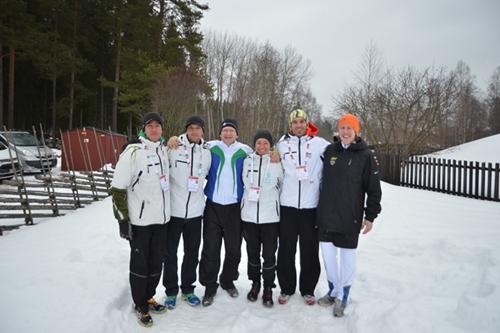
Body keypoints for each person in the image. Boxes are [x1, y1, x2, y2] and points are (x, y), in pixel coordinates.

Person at [316, 113, 382, 317]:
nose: (345, 132)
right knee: (328, 256)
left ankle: (343, 295)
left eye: (349, 128)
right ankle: (333, 290)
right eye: (342, 128)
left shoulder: (365, 156)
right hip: (327, 215)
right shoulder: (329, 151)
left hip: (349, 217)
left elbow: (374, 189)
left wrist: (370, 216)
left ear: (356, 132)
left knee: (347, 258)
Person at [110, 112, 170, 327]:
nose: (154, 129)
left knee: (156, 263)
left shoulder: (164, 151)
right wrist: (122, 220)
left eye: (157, 126)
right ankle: (140, 305)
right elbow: (117, 189)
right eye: (150, 126)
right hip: (140, 223)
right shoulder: (133, 153)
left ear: (162, 129)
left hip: (161, 221)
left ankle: (149, 296)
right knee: (140, 265)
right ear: (144, 129)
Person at [276, 107, 330, 305]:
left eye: (301, 122)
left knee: (309, 250)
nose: (298, 125)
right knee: (286, 250)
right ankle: (287, 288)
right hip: (288, 206)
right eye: (295, 122)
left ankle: (308, 289)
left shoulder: (320, 145)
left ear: (307, 124)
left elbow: (337, 158)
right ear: (290, 125)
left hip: (310, 207)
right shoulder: (280, 146)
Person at [199, 119, 252, 306]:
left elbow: (264, 157)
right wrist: (174, 139)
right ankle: (209, 286)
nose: (228, 133)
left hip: (234, 208)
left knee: (234, 250)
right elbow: (189, 143)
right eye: (225, 130)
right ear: (220, 133)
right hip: (213, 206)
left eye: (231, 130)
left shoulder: (246, 151)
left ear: (237, 134)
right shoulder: (210, 147)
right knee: (211, 249)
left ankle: (227, 280)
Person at [162, 116, 211, 309]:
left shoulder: (207, 152)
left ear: (203, 132)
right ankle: (171, 291)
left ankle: (188, 289)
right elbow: (159, 158)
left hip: (195, 213)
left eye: (198, 128)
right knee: (170, 253)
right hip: (174, 211)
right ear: (186, 130)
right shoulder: (173, 147)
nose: (194, 131)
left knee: (191, 253)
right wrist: (169, 142)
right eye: (191, 128)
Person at [241, 129, 283, 307]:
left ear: (270, 145)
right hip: (249, 217)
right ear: (254, 144)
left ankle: (268, 287)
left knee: (268, 255)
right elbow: (244, 182)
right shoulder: (246, 161)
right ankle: (255, 284)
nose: (262, 146)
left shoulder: (276, 162)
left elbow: (281, 186)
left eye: (265, 143)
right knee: (252, 253)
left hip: (270, 218)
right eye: (259, 142)